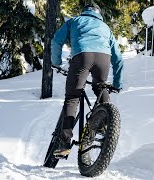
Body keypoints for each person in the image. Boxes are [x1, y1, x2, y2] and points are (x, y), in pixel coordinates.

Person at [50, 3, 124, 156]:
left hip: (83, 56)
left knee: (72, 98)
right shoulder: (105, 27)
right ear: (99, 14)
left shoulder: (74, 21)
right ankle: (106, 129)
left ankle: (64, 144)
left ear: (84, 12)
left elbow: (57, 40)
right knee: (100, 88)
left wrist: (56, 63)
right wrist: (117, 83)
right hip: (104, 59)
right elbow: (118, 59)